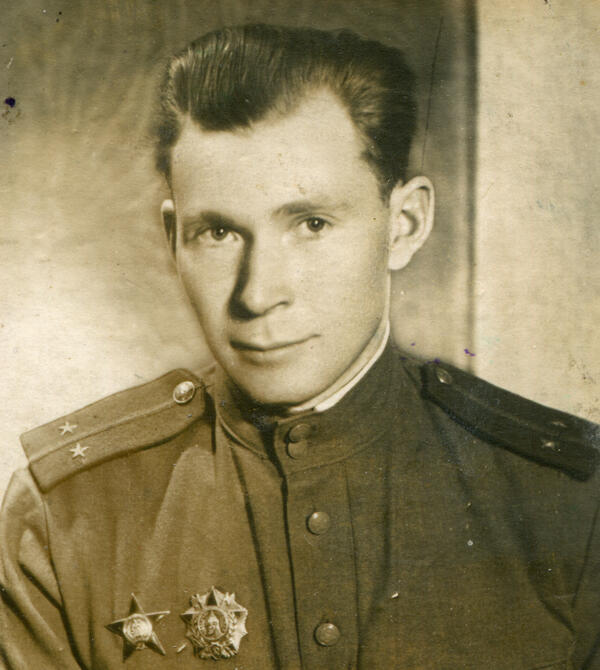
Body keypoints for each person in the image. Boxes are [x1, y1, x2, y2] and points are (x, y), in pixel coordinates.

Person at [0, 23, 598, 669]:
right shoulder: (67, 514)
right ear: (174, 240)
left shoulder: (568, 501)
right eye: (218, 233)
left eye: (312, 224)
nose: (258, 294)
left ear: (404, 225)